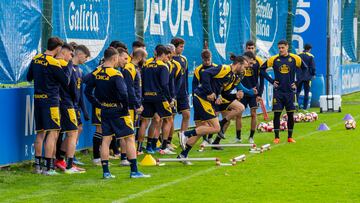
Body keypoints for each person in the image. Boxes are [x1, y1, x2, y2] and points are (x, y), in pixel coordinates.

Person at [85, 47, 150, 178]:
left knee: (106, 139)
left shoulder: (98, 73)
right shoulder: (116, 74)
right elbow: (124, 94)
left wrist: (97, 104)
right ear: (114, 58)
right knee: (130, 137)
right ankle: (134, 171)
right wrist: (125, 108)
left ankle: (106, 172)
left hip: (104, 110)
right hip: (118, 110)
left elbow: (87, 89)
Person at [177, 55, 248, 163]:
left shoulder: (232, 75)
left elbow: (224, 93)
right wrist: (210, 92)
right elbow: (205, 74)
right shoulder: (225, 68)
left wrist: (235, 96)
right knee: (216, 128)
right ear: (239, 64)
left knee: (202, 129)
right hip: (202, 98)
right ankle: (185, 134)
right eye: (244, 67)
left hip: (206, 100)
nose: (245, 70)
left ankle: (183, 154)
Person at [26, 37, 70, 175]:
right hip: (51, 102)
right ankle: (48, 167)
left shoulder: (36, 59)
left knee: (40, 133)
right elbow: (66, 81)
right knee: (52, 133)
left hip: (38, 100)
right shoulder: (54, 63)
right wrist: (67, 65)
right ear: (57, 48)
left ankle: (38, 166)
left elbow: (29, 77)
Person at [260, 40, 306, 144]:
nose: (280, 50)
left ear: (287, 47)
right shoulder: (274, 59)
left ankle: (290, 137)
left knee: (290, 114)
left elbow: (305, 69)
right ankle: (277, 137)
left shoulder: (295, 58)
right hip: (278, 92)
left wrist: (297, 82)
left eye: (282, 47)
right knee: (277, 114)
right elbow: (262, 69)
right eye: (279, 48)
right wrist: (272, 81)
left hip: (290, 92)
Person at [137, 45, 174, 155]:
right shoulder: (163, 66)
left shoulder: (146, 65)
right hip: (159, 97)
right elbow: (164, 84)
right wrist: (170, 99)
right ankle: (164, 147)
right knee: (168, 119)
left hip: (147, 97)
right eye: (166, 55)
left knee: (145, 122)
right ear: (162, 54)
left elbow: (141, 81)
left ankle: (141, 148)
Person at [121, 48, 147, 164]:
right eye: (144, 58)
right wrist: (137, 104)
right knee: (127, 132)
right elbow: (129, 89)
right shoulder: (129, 68)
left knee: (130, 131)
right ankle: (124, 157)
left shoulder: (135, 68)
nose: (145, 60)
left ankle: (127, 156)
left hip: (134, 104)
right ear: (140, 57)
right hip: (130, 106)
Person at [237, 44, 264, 144]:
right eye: (249, 48)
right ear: (245, 49)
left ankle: (251, 137)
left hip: (253, 93)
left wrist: (259, 94)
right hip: (242, 93)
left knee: (253, 114)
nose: (251, 50)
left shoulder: (258, 62)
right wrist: (238, 91)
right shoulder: (240, 62)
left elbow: (261, 79)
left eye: (252, 48)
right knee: (238, 114)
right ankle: (238, 137)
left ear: (255, 49)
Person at [192, 49, 217, 144]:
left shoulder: (216, 67)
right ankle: (205, 139)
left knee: (214, 117)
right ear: (202, 59)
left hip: (213, 97)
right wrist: (196, 95)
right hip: (202, 98)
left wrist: (217, 95)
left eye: (208, 60)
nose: (207, 62)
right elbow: (195, 85)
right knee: (204, 119)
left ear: (211, 58)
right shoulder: (198, 69)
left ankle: (210, 138)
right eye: (205, 60)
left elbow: (219, 83)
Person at [171, 38, 190, 135]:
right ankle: (168, 141)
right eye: (181, 47)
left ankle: (183, 137)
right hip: (172, 93)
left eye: (183, 46)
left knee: (187, 114)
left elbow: (185, 77)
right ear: (174, 47)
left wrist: (187, 91)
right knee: (171, 117)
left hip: (182, 93)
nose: (183, 49)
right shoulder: (169, 60)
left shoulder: (184, 59)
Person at [297, 43, 316, 109]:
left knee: (297, 91)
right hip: (307, 77)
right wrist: (313, 74)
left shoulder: (299, 55)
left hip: (299, 76)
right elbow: (313, 67)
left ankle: (296, 106)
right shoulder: (311, 56)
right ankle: (305, 107)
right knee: (306, 92)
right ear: (309, 49)